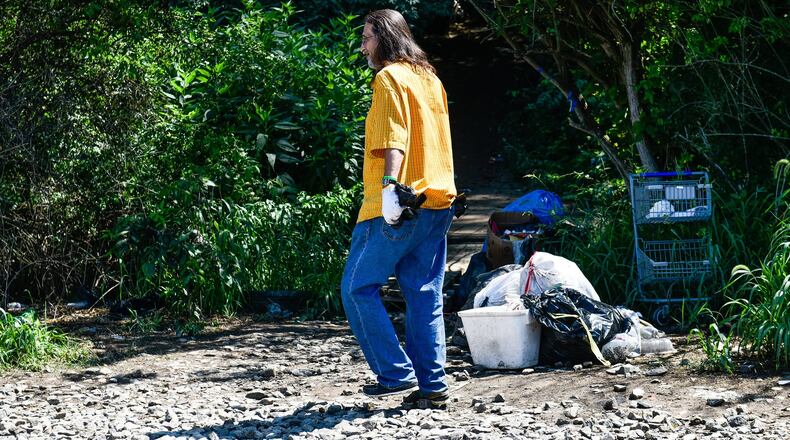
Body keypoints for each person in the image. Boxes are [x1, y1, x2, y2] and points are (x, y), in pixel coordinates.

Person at [340, 9, 457, 409]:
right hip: (439, 202)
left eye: (368, 37)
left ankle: (395, 374)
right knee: (425, 294)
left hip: (397, 205)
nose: (363, 45)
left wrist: (390, 187)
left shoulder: (388, 78)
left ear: (386, 38)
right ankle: (433, 385)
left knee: (357, 287)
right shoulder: (430, 79)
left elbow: (395, 137)